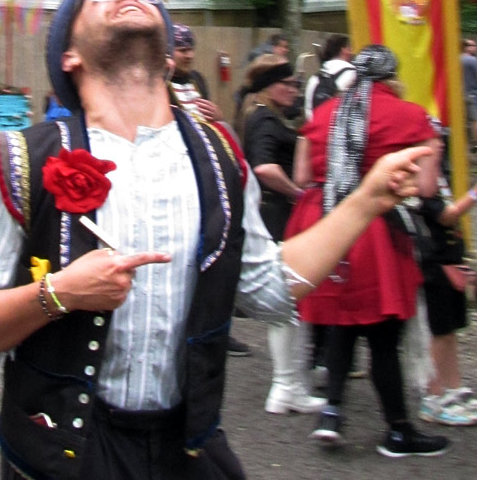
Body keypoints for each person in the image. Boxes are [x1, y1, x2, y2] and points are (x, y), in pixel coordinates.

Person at [0, 0, 436, 479]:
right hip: (63, 455)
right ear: (69, 56)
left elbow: (267, 290)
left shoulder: (222, 160)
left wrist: (367, 200)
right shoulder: (19, 161)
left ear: (169, 58)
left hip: (187, 450)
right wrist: (59, 293)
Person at [285, 45, 447, 458]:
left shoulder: (321, 114)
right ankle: (398, 430)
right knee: (382, 335)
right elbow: (427, 189)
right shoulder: (412, 116)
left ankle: (332, 414)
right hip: (374, 231)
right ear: (392, 76)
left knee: (343, 320)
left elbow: (303, 176)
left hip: (322, 224)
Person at [237, 54, 324, 414]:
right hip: (276, 216)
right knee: (287, 301)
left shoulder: (262, 117)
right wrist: (298, 193)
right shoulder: (265, 120)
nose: (294, 90)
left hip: (274, 213)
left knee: (290, 301)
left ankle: (291, 382)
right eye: (287, 84)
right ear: (269, 87)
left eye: (295, 84)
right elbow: (264, 167)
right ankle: (286, 386)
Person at [168, 23, 251, 357]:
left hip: (207, 171)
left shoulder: (198, 80)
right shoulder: (159, 83)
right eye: (181, 49)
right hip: (178, 173)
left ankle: (219, 327)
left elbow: (208, 119)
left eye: (190, 49)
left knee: (217, 251)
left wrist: (217, 118)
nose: (187, 55)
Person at [415, 129, 477, 426]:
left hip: (450, 262)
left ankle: (454, 386)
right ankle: (433, 394)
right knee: (439, 333)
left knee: (451, 331)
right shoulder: (421, 183)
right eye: (433, 141)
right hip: (434, 264)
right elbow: (446, 216)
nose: (439, 146)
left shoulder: (440, 179)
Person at [303, 34, 356, 120]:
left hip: (316, 128)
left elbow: (308, 109)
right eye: (350, 48)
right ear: (344, 50)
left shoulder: (315, 78)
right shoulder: (352, 73)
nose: (352, 52)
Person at [460, 38, 477, 148]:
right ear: (466, 47)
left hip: (458, 95)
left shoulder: (453, 59)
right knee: (475, 120)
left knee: (462, 121)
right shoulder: (472, 60)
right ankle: (475, 144)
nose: (475, 48)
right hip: (472, 94)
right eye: (472, 45)